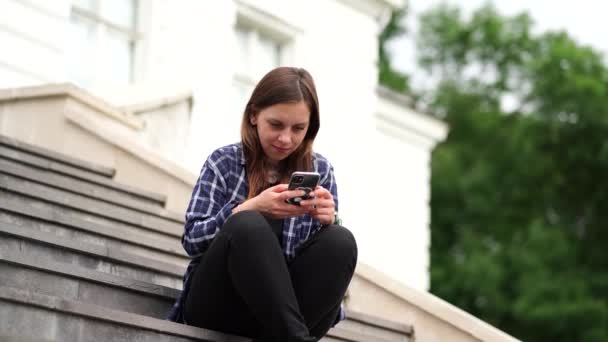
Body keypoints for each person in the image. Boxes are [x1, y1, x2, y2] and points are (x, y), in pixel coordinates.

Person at [167, 67, 358, 342]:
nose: (286, 139)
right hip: (219, 306)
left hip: (281, 317)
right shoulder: (223, 162)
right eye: (276, 125)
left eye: (298, 129)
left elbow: (329, 281)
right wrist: (250, 207)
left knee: (341, 240)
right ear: (254, 115)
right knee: (246, 223)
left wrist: (330, 222)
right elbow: (192, 242)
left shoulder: (321, 171)